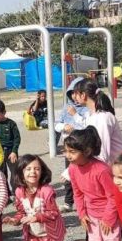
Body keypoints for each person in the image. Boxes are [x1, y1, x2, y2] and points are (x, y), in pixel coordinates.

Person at [65, 127, 121, 241]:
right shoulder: (73, 169)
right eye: (66, 151)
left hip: (109, 220)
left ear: (87, 151)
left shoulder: (102, 169)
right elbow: (77, 193)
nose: (68, 155)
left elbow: (114, 196)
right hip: (92, 220)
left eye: (72, 152)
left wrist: (108, 218)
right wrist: (82, 213)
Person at [4, 155, 65, 241]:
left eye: (37, 168)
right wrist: (15, 220)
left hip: (50, 232)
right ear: (20, 172)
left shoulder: (47, 190)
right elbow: (21, 212)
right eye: (28, 169)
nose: (33, 172)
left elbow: (53, 213)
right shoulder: (19, 191)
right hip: (33, 233)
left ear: (42, 171)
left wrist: (36, 217)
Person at [71, 78, 122, 165]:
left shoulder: (102, 117)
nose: (74, 97)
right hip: (110, 165)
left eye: (76, 93)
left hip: (118, 167)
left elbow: (102, 151)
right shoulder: (91, 115)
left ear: (83, 95)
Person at [54, 77, 89, 213]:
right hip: (69, 146)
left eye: (77, 93)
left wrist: (74, 116)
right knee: (69, 173)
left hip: (83, 146)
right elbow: (56, 124)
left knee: (84, 173)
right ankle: (69, 202)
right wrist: (64, 126)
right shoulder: (66, 107)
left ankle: (86, 200)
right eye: (72, 93)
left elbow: (86, 126)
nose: (74, 96)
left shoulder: (87, 108)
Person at [0, 99, 21, 192]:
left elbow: (17, 138)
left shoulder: (11, 123)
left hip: (10, 152)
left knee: (15, 173)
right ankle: (5, 194)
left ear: (4, 112)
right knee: (1, 173)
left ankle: (16, 193)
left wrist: (14, 151)